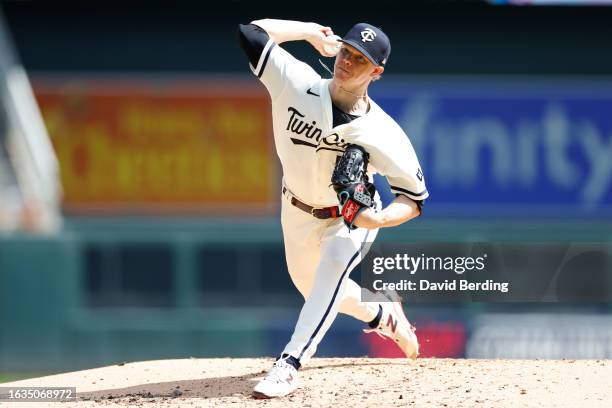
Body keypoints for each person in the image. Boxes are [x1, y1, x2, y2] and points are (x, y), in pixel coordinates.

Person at [238, 19, 429, 398]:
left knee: (331, 270)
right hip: (295, 207)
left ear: (377, 72)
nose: (348, 61)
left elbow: (414, 199)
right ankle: (382, 313)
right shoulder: (296, 80)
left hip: (349, 217)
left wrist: (376, 218)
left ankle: (289, 364)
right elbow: (251, 31)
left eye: (360, 59)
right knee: (313, 288)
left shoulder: (384, 132)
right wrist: (307, 32)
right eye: (347, 51)